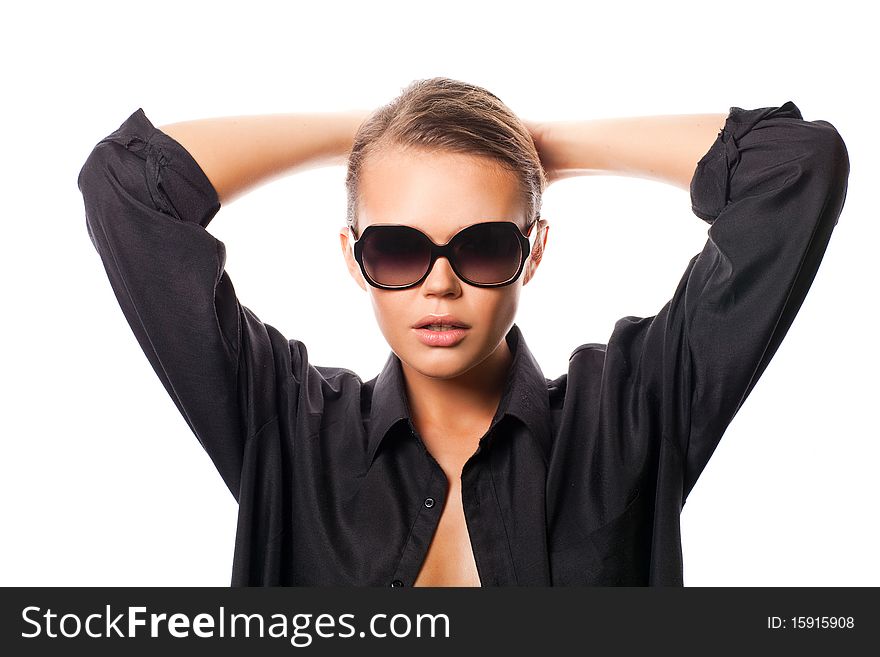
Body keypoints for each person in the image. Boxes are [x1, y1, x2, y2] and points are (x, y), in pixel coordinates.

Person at [77, 77, 849, 586]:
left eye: (482, 244)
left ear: (533, 251)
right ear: (354, 256)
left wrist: (541, 146)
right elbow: (124, 185)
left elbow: (796, 167)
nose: (438, 283)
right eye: (398, 247)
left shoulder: (632, 414)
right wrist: (375, 136)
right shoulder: (285, 428)